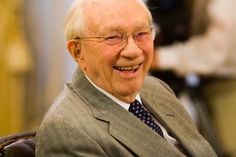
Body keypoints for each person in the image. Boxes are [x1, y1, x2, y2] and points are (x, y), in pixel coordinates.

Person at [35, 0, 216, 156]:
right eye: (113, 37)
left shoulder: (156, 88)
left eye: (141, 34)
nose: (133, 51)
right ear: (78, 51)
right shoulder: (66, 131)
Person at [150, 0, 236, 156]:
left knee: (229, 147)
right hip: (205, 84)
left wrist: (160, 58)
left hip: (227, 86)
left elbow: (215, 52)